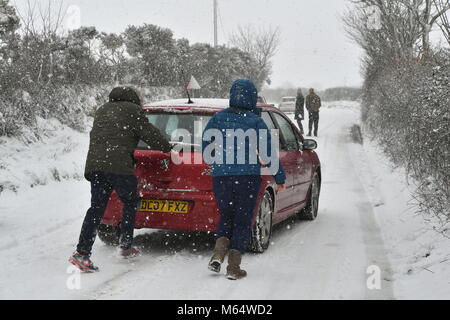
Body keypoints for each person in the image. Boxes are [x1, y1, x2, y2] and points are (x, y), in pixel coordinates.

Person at [69, 86, 172, 273]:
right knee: (131, 201)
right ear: (134, 98)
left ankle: (82, 253)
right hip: (119, 167)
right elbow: (148, 133)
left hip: (96, 166)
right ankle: (125, 246)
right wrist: (166, 146)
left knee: (96, 208)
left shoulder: (102, 110)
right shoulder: (133, 111)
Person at [202, 79, 286, 280]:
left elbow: (206, 146)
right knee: (242, 219)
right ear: (251, 97)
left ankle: (217, 255)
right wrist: (279, 177)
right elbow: (267, 154)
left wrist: (215, 163)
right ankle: (233, 267)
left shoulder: (217, 118)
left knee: (226, 215)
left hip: (221, 177)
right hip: (247, 178)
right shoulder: (256, 122)